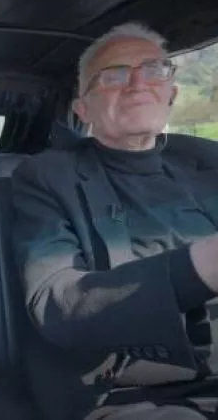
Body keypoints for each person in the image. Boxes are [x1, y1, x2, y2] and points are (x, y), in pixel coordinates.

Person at [12, 21, 218, 420]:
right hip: (134, 392)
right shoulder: (47, 177)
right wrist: (201, 267)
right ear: (83, 109)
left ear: (171, 93)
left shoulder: (209, 158)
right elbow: (57, 302)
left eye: (154, 70)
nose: (138, 84)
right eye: (114, 75)